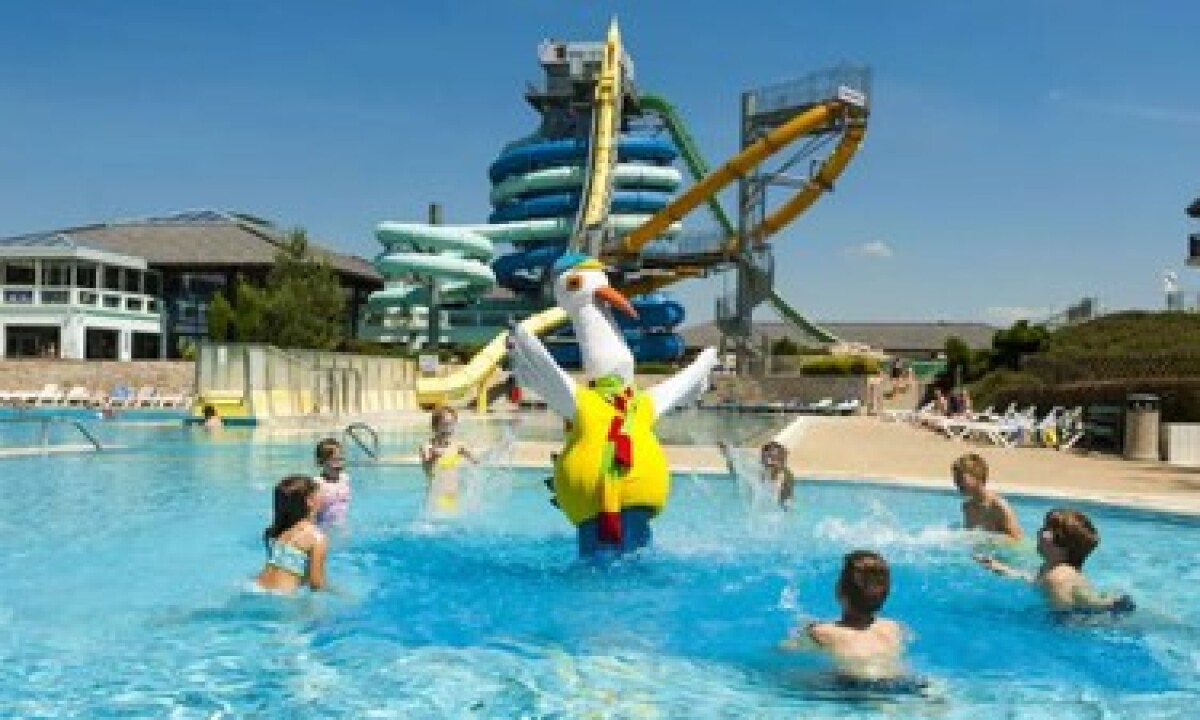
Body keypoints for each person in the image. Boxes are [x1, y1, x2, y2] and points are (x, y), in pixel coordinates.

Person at [780, 550, 913, 686]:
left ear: (839, 590)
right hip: (901, 682)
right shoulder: (894, 627)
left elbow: (785, 651)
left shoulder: (820, 631)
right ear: (886, 594)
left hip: (853, 685)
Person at [976, 508, 1134, 614]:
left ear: (1063, 544)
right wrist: (1002, 569)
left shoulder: (1057, 578)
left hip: (1097, 615)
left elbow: (1064, 619)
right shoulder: (1051, 569)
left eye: (1046, 530)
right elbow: (1036, 581)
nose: (1039, 532)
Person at [254, 475, 328, 593]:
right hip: (281, 597)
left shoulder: (280, 531)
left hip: (255, 587)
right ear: (309, 501)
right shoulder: (316, 537)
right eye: (320, 494)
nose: (324, 497)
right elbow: (316, 584)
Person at [419, 405, 479, 513]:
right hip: (435, 499)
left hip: (453, 498)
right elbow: (427, 470)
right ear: (435, 426)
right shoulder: (427, 447)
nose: (449, 428)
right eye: (445, 424)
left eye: (452, 424)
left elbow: (478, 462)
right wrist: (434, 457)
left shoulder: (459, 447)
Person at [952, 453, 1023, 540]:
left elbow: (1017, 540)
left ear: (977, 477)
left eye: (960, 478)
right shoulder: (967, 507)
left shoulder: (999, 506)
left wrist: (990, 539)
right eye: (956, 478)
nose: (957, 482)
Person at [718, 439, 795, 510]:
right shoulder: (755, 471)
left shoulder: (786, 476)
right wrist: (728, 456)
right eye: (770, 458)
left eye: (777, 459)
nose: (772, 462)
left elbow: (787, 502)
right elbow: (733, 466)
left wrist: (786, 503)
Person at [313, 438, 351, 530]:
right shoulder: (318, 484)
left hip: (342, 527)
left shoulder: (345, 479)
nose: (339, 464)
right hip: (323, 529)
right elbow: (311, 514)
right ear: (320, 462)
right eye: (334, 460)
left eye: (341, 459)